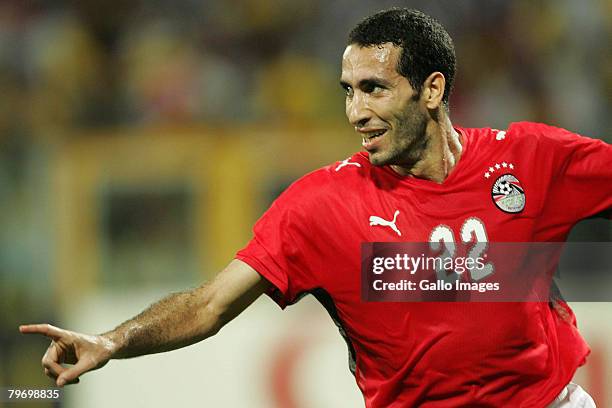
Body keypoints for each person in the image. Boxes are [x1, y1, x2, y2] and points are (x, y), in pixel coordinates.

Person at [21, 8, 610, 407]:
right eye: (348, 91)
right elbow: (210, 304)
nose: (355, 112)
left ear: (431, 90)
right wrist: (114, 341)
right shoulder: (321, 204)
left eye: (374, 89)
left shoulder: (534, 160)